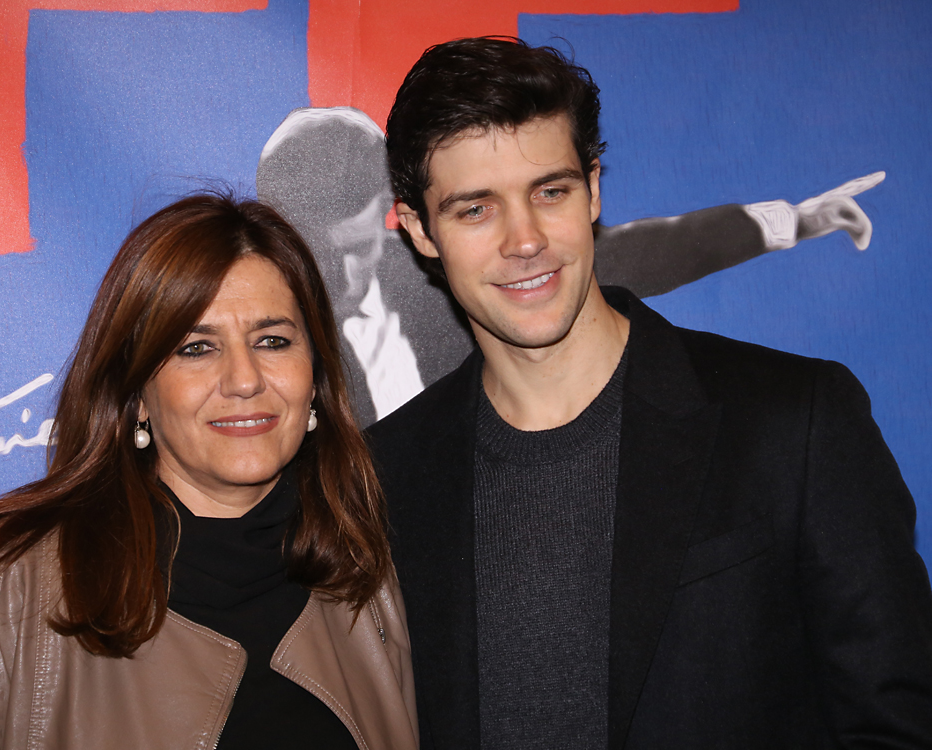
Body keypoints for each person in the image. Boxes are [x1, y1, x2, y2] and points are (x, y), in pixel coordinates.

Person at [368, 36, 932, 749]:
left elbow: (897, 725)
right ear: (418, 228)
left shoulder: (795, 422)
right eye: (474, 209)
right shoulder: (386, 473)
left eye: (550, 192)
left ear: (594, 189)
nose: (525, 239)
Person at [0, 194, 419, 750]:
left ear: (314, 375)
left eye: (273, 341)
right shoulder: (5, 581)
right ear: (138, 395)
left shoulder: (375, 564)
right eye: (196, 348)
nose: (244, 379)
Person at [257, 106, 885, 424]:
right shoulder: (261, 342)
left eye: (359, 246)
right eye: (320, 250)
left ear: (399, 221)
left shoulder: (465, 274)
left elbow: (657, 248)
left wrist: (798, 220)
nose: (341, 273)